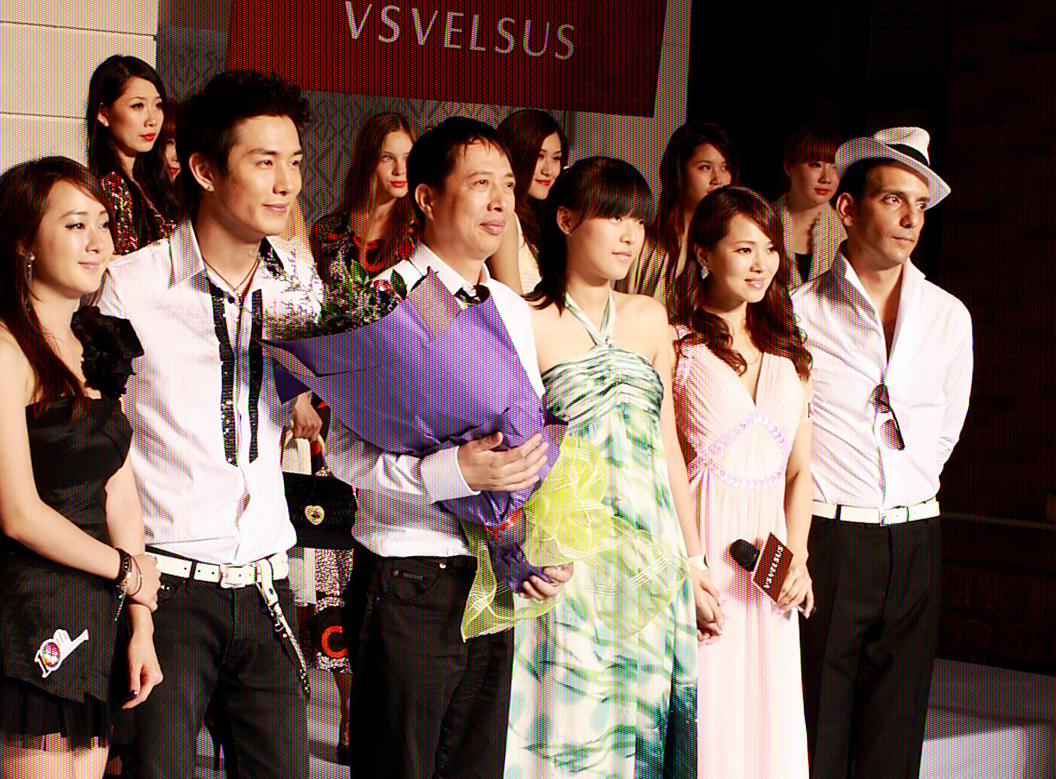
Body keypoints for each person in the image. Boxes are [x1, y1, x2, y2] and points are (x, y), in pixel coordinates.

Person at [326, 116, 569, 779]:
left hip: (491, 577)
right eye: (481, 183)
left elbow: (525, 430)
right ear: (427, 198)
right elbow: (343, 454)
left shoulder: (510, 307)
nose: (500, 201)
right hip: (411, 577)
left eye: (509, 186)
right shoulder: (388, 301)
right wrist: (452, 471)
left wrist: (533, 536)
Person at [99, 69, 323, 779]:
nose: (285, 183)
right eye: (264, 162)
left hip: (267, 580)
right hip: (166, 585)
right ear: (203, 169)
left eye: (294, 162)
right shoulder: (132, 285)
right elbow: (99, 443)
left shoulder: (300, 285)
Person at [0, 156, 163, 779]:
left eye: (103, 223)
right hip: (28, 601)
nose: (97, 241)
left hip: (99, 600)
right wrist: (127, 572)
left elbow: (118, 489)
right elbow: (19, 514)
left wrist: (141, 619)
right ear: (24, 243)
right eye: (75, 225)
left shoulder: (99, 342)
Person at [508, 157, 718, 779]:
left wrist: (694, 559)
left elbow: (667, 446)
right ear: (566, 220)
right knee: (575, 725)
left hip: (651, 552)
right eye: (614, 217)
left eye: (638, 221)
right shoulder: (525, 320)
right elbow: (511, 451)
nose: (630, 235)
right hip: (572, 550)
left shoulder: (650, 317)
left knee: (642, 720)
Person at [793, 127, 971, 779]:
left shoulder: (948, 316)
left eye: (920, 205)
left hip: (915, 535)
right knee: (817, 729)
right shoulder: (799, 312)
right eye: (894, 199)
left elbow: (944, 430)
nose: (910, 219)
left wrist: (909, 495)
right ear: (847, 208)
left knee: (894, 739)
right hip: (830, 537)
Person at [672, 186, 814, 779]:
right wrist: (687, 566)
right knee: (713, 721)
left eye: (771, 249)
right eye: (744, 249)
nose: (762, 264)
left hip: (771, 570)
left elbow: (800, 470)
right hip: (704, 563)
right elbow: (664, 469)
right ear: (704, 254)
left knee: (769, 724)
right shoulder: (677, 346)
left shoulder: (790, 351)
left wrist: (798, 559)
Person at [617, 122, 734, 315]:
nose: (718, 179)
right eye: (705, 167)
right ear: (679, 171)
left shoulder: (730, 245)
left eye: (725, 167)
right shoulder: (646, 244)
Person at [309, 111, 415, 283]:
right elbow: (311, 295)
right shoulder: (326, 230)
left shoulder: (422, 232)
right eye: (387, 157)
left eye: (408, 158)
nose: (400, 170)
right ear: (367, 161)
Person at [86, 55, 175, 255]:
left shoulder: (154, 182)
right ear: (103, 114)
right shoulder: (108, 187)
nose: (152, 120)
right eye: (138, 106)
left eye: (158, 105)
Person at [492, 108, 566, 294]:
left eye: (556, 158)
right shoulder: (506, 219)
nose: (548, 170)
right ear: (515, 155)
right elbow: (511, 302)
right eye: (539, 156)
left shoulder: (546, 221)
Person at [773, 122, 844, 282]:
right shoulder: (762, 224)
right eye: (815, 165)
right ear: (788, 167)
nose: (826, 178)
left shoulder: (847, 232)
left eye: (835, 167)